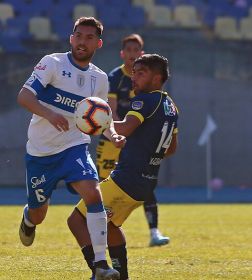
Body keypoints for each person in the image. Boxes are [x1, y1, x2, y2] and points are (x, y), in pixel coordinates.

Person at [17, 17, 125, 280]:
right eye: (79, 35)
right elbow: (24, 96)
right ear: (71, 38)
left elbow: (102, 119)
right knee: (39, 213)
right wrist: (50, 115)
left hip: (74, 147)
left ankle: (100, 264)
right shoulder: (52, 63)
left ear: (98, 44)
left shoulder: (98, 79)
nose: (82, 41)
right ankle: (29, 218)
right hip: (41, 152)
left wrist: (112, 135)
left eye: (89, 38)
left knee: (93, 192)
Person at [68, 54, 178, 280]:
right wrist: (148, 157)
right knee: (109, 225)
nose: (133, 77)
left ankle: (98, 271)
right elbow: (172, 148)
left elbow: (126, 128)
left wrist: (90, 121)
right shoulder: (170, 106)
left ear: (156, 78)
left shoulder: (144, 101)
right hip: (146, 184)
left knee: (76, 220)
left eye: (141, 73)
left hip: (125, 180)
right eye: (133, 72)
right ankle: (122, 276)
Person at [96, 34, 170, 248]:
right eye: (128, 50)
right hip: (114, 137)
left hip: (134, 139)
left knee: (144, 184)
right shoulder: (115, 77)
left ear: (142, 53)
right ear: (122, 53)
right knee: (102, 186)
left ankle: (154, 232)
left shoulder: (149, 82)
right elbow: (111, 110)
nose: (132, 53)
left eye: (136, 50)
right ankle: (100, 230)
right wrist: (119, 134)